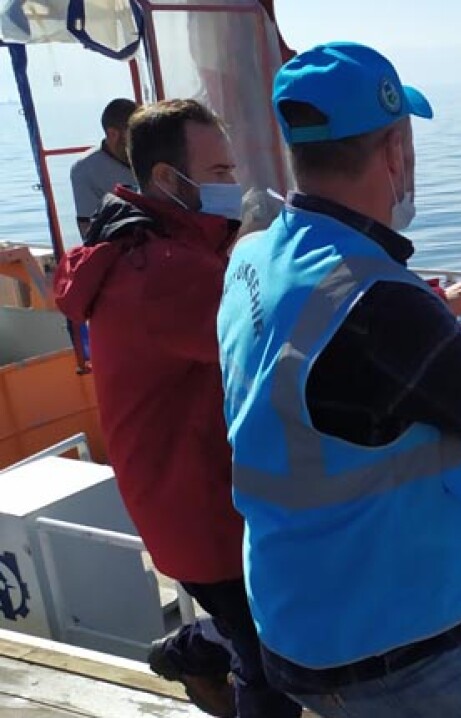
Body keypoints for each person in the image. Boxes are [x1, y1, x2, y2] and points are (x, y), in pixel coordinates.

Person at [217, 42, 461, 717]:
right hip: (394, 656)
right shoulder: (380, 305)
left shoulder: (252, 256)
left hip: (296, 622)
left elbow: (335, 372)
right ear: (396, 150)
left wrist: (433, 322)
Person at [52, 99, 301, 718]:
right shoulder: (163, 273)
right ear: (168, 179)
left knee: (260, 625)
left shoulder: (165, 245)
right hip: (200, 508)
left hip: (194, 494)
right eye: (219, 172)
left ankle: (190, 651)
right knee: (275, 668)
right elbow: (284, 335)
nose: (234, 185)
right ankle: (202, 654)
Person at [70, 98, 137, 238]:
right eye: (134, 135)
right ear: (113, 134)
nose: (142, 141)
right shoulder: (85, 169)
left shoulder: (153, 155)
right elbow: (88, 231)